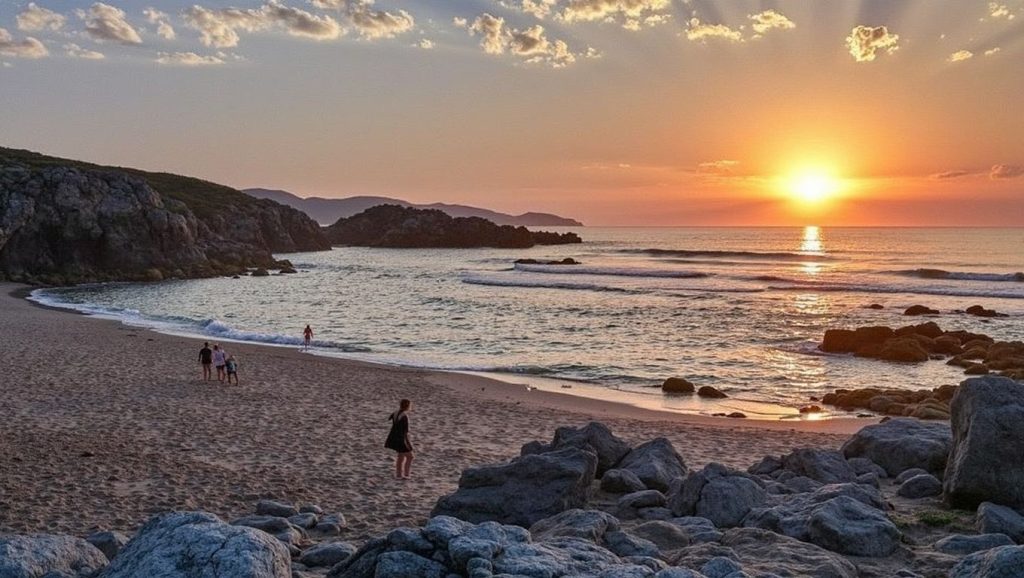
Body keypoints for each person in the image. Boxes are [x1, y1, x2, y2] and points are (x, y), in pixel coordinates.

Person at [385, 399, 414, 479]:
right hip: (401, 438)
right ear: (408, 406)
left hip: (393, 437)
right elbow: (406, 431)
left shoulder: (396, 413)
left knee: (400, 456)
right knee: (410, 456)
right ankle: (406, 474)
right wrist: (408, 442)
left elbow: (390, 419)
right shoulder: (404, 416)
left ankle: (399, 475)